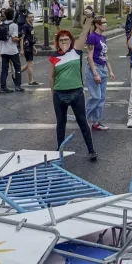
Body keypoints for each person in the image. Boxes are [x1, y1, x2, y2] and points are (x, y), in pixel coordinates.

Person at [49, 16, 97, 161]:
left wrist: (88, 19)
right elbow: (51, 76)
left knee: (82, 121)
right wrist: (53, 93)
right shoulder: (54, 57)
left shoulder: (76, 51)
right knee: (61, 123)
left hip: (76, 92)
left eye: (66, 39)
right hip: (59, 93)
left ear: (71, 41)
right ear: (58, 42)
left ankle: (91, 150)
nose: (64, 42)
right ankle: (59, 150)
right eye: (61, 40)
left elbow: (83, 33)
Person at [85, 16, 115, 131]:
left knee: (101, 98)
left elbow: (105, 56)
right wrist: (95, 73)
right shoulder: (92, 37)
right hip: (95, 68)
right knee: (96, 96)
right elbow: (89, 57)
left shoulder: (103, 37)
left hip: (103, 68)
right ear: (97, 25)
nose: (106, 25)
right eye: (104, 23)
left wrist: (110, 70)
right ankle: (83, 117)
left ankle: (96, 122)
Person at [0, 8, 23, 93]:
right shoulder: (14, 25)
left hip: (3, 50)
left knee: (4, 69)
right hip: (12, 50)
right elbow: (14, 39)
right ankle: (17, 86)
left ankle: (3, 87)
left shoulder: (0, 24)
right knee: (17, 67)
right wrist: (19, 38)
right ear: (13, 15)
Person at [20, 13, 40, 86]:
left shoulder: (31, 26)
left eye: (32, 17)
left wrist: (34, 47)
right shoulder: (25, 26)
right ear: (27, 18)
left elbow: (31, 38)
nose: (31, 18)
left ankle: (17, 72)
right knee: (30, 64)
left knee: (30, 64)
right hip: (27, 47)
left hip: (31, 46)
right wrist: (22, 49)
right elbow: (22, 38)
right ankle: (31, 80)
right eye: (30, 17)